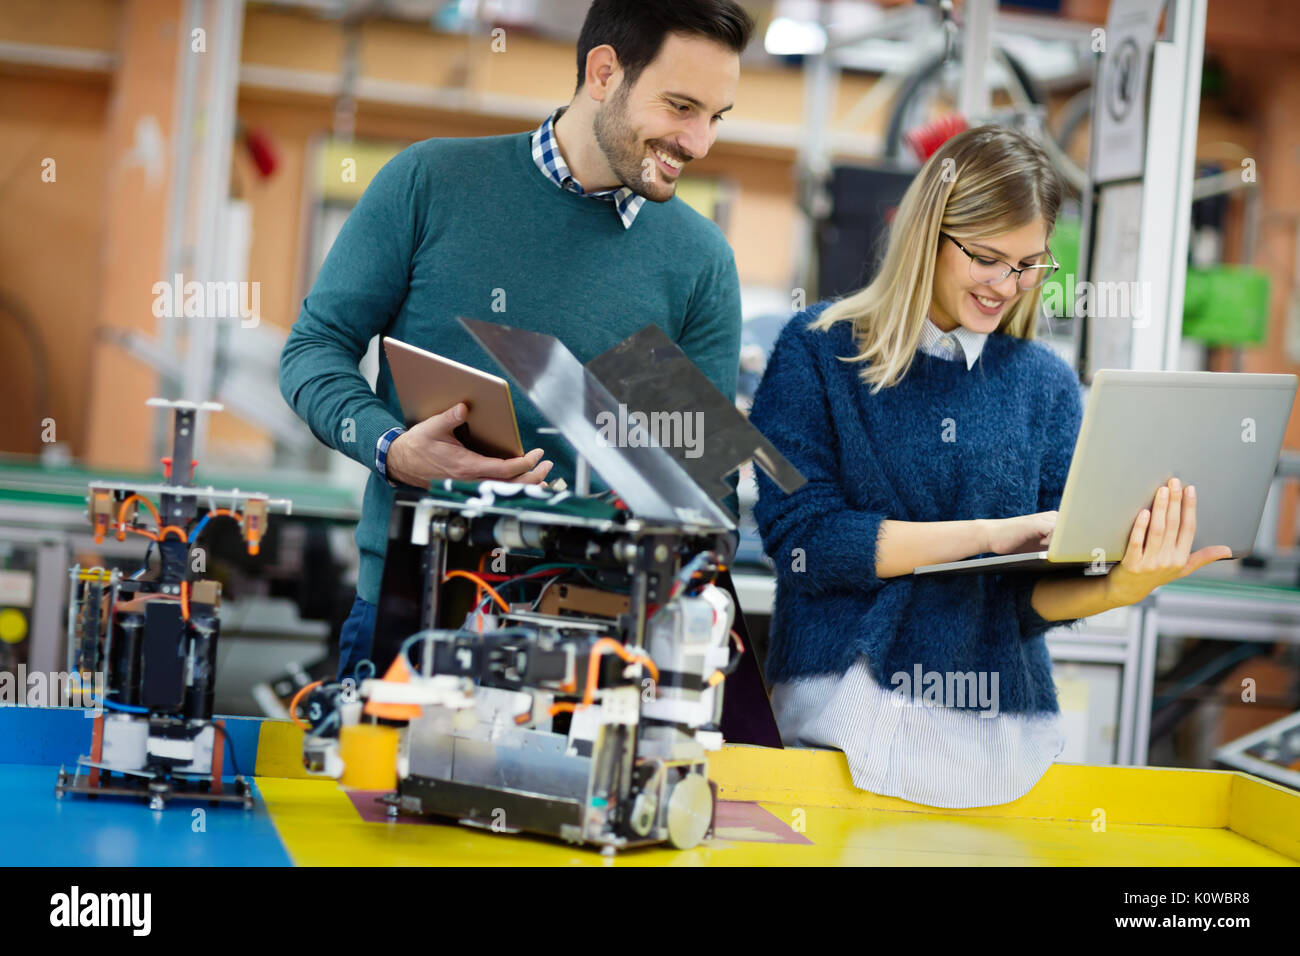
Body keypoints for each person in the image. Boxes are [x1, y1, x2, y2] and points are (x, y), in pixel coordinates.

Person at [748, 126, 1233, 808]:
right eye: (987, 258)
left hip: (1002, 753)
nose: (1009, 285)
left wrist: (1123, 587)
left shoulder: (1045, 385)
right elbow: (806, 540)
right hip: (840, 735)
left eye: (1030, 263)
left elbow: (1021, 604)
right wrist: (987, 535)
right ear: (929, 235)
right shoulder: (819, 351)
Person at [279, 0, 754, 680]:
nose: (700, 142)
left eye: (716, 117)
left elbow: (706, 484)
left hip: (599, 646)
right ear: (603, 73)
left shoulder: (700, 261)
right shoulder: (430, 184)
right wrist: (390, 450)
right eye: (681, 107)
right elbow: (314, 350)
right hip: (413, 619)